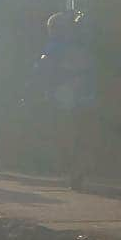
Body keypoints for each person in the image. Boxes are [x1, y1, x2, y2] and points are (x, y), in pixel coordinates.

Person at [37, 11, 95, 190]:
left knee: (66, 134)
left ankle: (74, 171)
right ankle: (78, 171)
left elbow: (46, 69)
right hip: (84, 96)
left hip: (63, 97)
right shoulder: (80, 45)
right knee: (80, 135)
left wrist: (46, 90)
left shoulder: (54, 46)